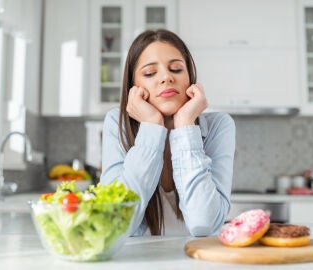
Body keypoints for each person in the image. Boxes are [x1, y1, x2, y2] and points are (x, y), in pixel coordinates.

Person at [101, 29, 235, 236]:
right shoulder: (116, 123)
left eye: (176, 69)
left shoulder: (220, 125)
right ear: (133, 87)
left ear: (190, 78)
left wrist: (185, 126)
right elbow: (114, 224)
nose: (166, 77)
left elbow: (204, 224)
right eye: (149, 73)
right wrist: (152, 127)